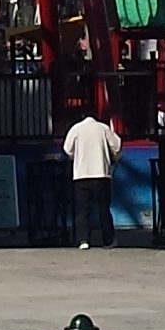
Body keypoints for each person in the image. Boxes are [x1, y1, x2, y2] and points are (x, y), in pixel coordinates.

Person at [61, 102, 121, 249]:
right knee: (103, 209)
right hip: (101, 174)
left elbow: (67, 149)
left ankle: (83, 240)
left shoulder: (76, 129)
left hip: (81, 175)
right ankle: (108, 240)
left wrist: (76, 157)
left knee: (82, 210)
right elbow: (117, 145)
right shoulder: (103, 128)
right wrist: (113, 157)